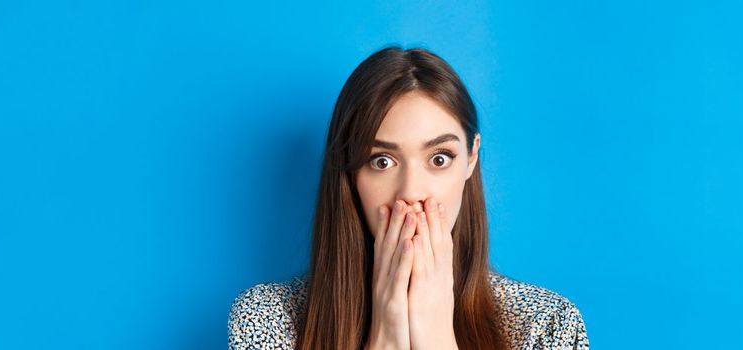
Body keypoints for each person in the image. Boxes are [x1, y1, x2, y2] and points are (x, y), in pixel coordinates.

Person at [228, 46, 589, 350]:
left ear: (471, 158)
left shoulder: (546, 325)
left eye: (439, 158)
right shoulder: (268, 319)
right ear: (350, 173)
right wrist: (385, 337)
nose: (412, 192)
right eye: (381, 161)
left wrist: (436, 339)